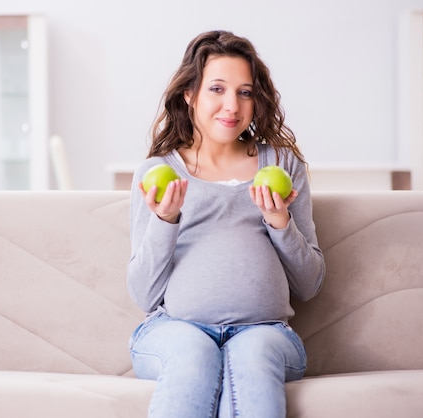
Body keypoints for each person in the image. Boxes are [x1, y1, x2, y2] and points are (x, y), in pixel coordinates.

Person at [126, 30, 325, 418]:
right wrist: (166, 219)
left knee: (252, 352)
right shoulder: (157, 173)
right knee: (193, 352)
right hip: (174, 331)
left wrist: (279, 221)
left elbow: (310, 284)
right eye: (216, 88)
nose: (231, 105)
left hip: (267, 333)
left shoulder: (283, 166)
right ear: (190, 94)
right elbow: (144, 295)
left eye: (245, 92)